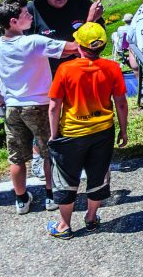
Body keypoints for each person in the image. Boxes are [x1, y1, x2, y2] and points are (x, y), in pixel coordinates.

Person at [0, 0, 76, 214]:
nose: (31, 16)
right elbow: (72, 48)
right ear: (14, 21)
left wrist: (0, 100)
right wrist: (89, 20)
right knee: (48, 153)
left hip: (12, 107)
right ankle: (51, 196)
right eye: (26, 14)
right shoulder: (34, 41)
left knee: (16, 157)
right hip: (39, 104)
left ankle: (21, 199)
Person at [45, 23, 128, 239]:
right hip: (103, 130)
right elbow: (120, 102)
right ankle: (91, 219)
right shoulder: (112, 68)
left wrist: (54, 135)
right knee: (98, 174)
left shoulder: (65, 69)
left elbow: (54, 105)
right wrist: (124, 130)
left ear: (79, 46)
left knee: (66, 177)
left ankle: (64, 226)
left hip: (72, 133)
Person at [25, 0, 104, 75]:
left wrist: (88, 50)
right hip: (50, 73)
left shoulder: (81, 3)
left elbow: (100, 34)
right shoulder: (32, 9)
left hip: (85, 68)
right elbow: (27, 46)